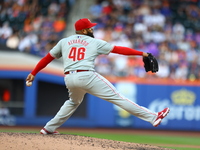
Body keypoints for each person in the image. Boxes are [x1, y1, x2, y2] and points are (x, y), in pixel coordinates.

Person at [26, 18, 170, 134]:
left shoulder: (64, 41)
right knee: (118, 98)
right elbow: (119, 50)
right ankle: (153, 117)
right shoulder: (94, 42)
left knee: (73, 102)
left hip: (69, 78)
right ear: (83, 30)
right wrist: (142, 53)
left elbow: (47, 58)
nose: (92, 29)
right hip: (87, 76)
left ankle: (48, 128)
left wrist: (33, 73)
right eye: (90, 27)